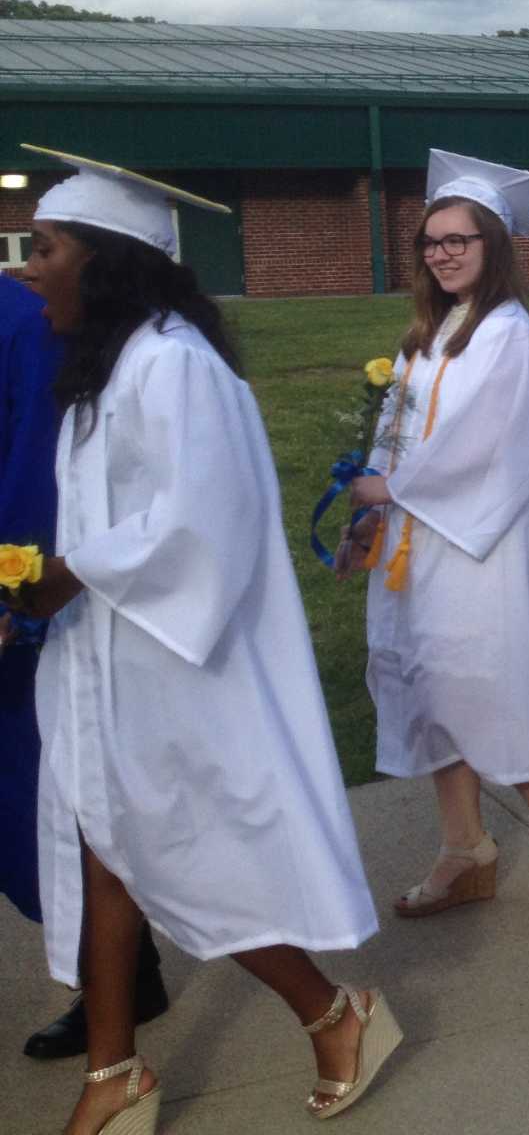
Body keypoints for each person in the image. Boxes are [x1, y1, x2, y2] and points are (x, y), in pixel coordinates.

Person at [13, 148, 395, 1131]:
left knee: (177, 857)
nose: (28, 265)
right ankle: (114, 1076)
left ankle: (332, 1009)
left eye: (44, 246)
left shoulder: (173, 363)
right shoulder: (105, 366)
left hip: (178, 662)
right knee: (110, 851)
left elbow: (199, 525)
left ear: (103, 256)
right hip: (111, 661)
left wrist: (65, 573)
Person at [340, 151, 529, 917]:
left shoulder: (506, 335)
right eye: (432, 240)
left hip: (484, 544)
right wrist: (369, 519)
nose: (443, 253)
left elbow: (486, 445)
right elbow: (396, 430)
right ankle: (465, 846)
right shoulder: (430, 331)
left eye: (461, 240)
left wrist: (395, 488)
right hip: (417, 544)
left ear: (494, 246)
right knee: (425, 683)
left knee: (479, 680)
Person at [2, 272, 170, 1065]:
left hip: (20, 603)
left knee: (48, 799)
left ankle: (112, 978)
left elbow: (39, 460)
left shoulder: (21, 319)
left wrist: (16, 584)